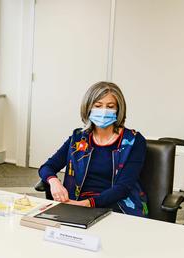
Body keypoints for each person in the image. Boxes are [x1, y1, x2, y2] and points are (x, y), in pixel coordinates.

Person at [38, 81, 148, 216]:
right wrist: (54, 182)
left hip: (118, 205)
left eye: (110, 106)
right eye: (98, 106)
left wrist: (85, 204)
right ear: (88, 108)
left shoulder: (133, 141)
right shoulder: (78, 138)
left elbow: (124, 187)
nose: (103, 111)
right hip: (77, 203)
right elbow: (47, 167)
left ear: (118, 110)